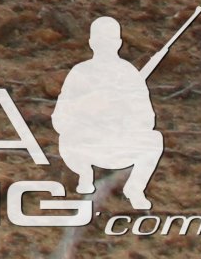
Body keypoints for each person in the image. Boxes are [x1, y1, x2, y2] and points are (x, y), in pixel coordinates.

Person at [53, 15, 166, 208]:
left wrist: (124, 113)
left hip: (119, 142)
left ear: (119, 43)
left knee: (154, 140)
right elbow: (59, 118)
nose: (105, 45)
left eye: (110, 40)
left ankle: (135, 189)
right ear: (91, 42)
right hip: (87, 142)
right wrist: (88, 107)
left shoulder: (129, 73)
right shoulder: (80, 72)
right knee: (66, 139)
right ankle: (85, 175)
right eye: (100, 40)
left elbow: (147, 119)